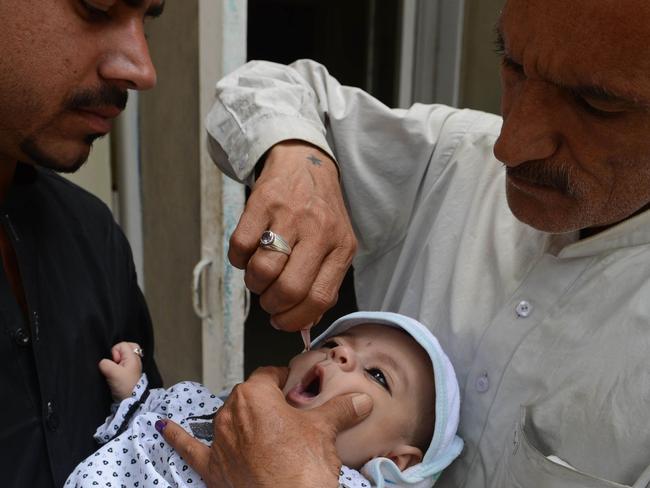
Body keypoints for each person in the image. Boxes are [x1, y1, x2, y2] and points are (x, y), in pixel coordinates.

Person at [160, 0, 650, 486]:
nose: (510, 145)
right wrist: (299, 161)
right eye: (514, 64)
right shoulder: (453, 159)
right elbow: (259, 89)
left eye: (596, 104)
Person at [0, 2, 167, 486]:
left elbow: (145, 440)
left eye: (147, 22)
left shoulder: (92, 234)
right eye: (97, 8)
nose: (142, 69)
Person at [65, 312, 463, 488]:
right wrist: (132, 390)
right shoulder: (217, 407)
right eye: (335, 343)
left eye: (378, 375)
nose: (341, 355)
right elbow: (157, 414)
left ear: (393, 461)